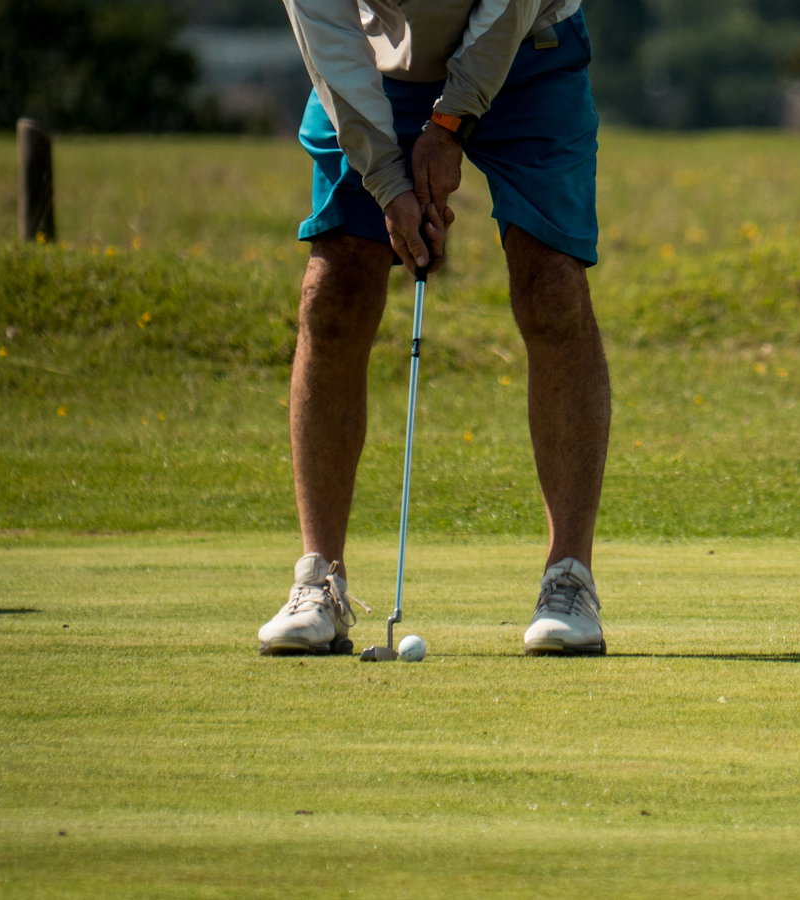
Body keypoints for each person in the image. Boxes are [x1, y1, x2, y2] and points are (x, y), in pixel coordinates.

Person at [256, 0, 610, 657]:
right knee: (333, 288)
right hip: (374, 63)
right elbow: (327, 37)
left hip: (529, 48)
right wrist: (390, 185)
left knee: (552, 284)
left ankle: (569, 579)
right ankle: (319, 581)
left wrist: (449, 123)